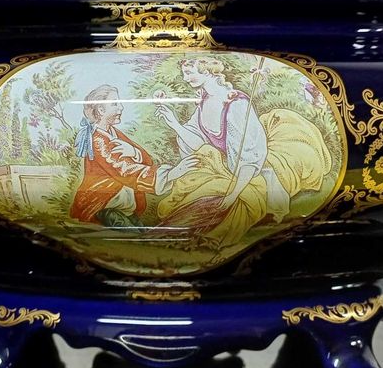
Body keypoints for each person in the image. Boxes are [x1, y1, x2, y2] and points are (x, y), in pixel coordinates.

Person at [154, 57, 334, 248]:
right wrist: (174, 124)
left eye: (189, 73)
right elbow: (199, 144)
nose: (185, 78)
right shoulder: (204, 102)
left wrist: (232, 194)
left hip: (252, 169)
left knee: (242, 201)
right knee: (194, 195)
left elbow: (249, 158)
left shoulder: (236, 105)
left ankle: (209, 240)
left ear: (206, 71)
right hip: (226, 167)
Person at [69, 85, 197, 228]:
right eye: (115, 104)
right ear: (101, 110)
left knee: (146, 234)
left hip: (123, 207)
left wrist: (134, 152)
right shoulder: (97, 140)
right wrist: (171, 174)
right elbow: (125, 170)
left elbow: (147, 160)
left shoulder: (113, 132)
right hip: (102, 206)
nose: (121, 107)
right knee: (138, 235)